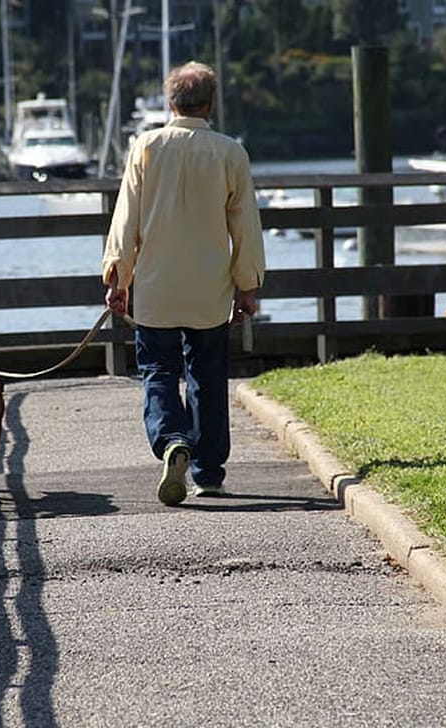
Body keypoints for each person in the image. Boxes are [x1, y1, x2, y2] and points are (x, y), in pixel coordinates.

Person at [101, 60, 266, 506]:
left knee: (158, 370)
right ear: (211, 103)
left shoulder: (146, 147)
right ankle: (208, 471)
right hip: (209, 289)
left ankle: (171, 439)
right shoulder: (231, 153)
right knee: (208, 378)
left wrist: (118, 276)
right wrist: (247, 284)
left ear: (170, 101)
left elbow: (126, 221)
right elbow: (245, 227)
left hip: (156, 287)